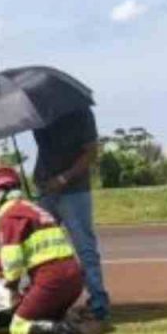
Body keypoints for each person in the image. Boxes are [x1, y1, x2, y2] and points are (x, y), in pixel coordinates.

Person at [0, 168, 101, 334]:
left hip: (52, 280)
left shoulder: (10, 217)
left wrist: (11, 288)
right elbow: (25, 256)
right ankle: (70, 319)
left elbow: (13, 265)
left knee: (17, 326)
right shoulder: (33, 210)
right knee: (41, 316)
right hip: (73, 279)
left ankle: (69, 330)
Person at [33, 105, 110, 322]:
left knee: (84, 246)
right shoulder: (38, 115)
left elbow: (91, 151)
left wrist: (64, 178)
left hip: (74, 190)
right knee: (39, 247)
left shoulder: (80, 112)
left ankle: (98, 302)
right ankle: (43, 300)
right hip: (46, 188)